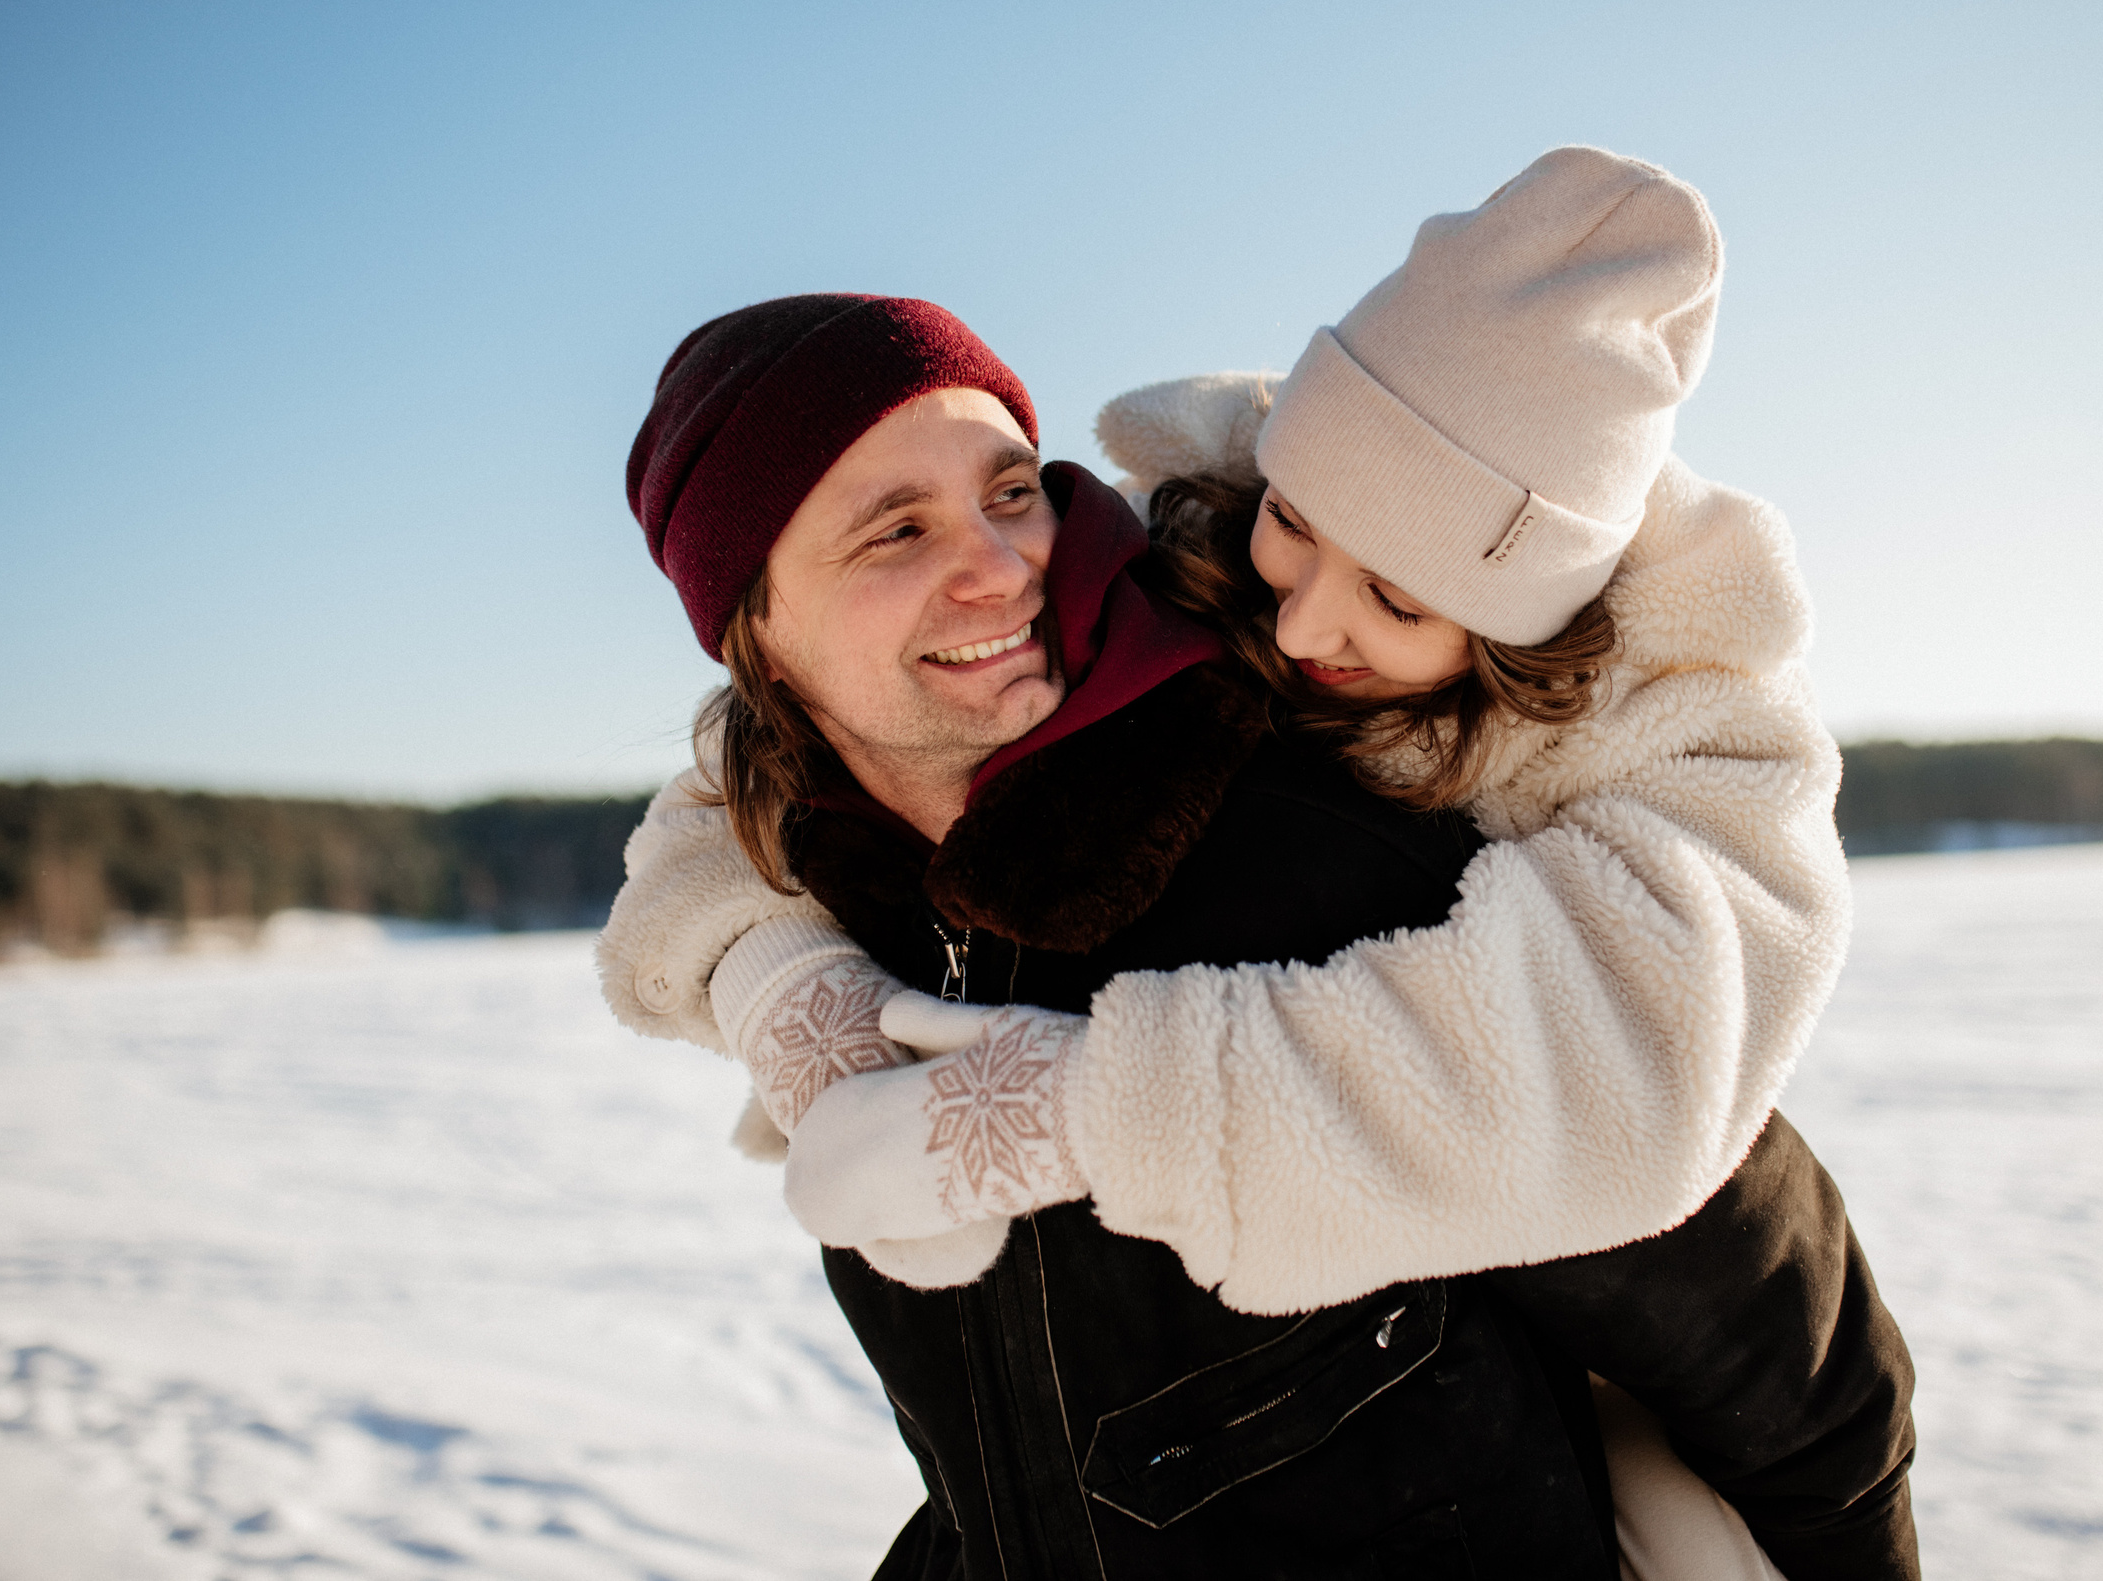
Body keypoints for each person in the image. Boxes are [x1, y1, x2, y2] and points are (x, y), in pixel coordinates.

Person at [608, 151, 1915, 1578]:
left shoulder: (1346, 850)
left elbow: (1773, 1322)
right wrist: (773, 980)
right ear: (755, 630)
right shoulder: (827, 882)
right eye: (897, 531)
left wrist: (1074, 1111)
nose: (1002, 563)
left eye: (1009, 489)